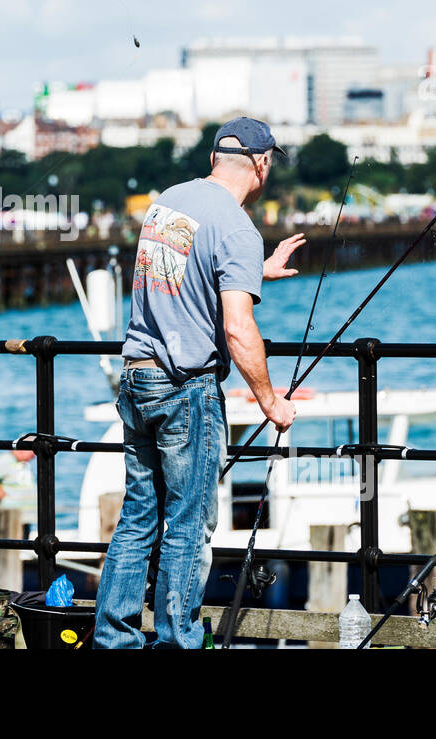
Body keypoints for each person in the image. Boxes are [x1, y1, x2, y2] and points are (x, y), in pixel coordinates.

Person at [93, 117, 305, 649]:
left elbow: (182, 274)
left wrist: (255, 270)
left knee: (138, 518)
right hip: (186, 389)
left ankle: (113, 640)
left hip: (137, 377)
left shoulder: (168, 202)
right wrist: (270, 401)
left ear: (215, 157)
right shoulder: (236, 227)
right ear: (261, 165)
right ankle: (177, 641)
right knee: (189, 525)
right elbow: (237, 326)